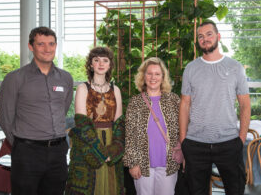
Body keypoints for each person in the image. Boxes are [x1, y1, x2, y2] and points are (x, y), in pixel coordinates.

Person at [0, 26, 73, 195]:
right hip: (27, 153)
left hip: (58, 151)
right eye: (41, 44)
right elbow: (6, 118)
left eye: (51, 44)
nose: (47, 49)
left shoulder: (65, 78)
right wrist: (21, 144)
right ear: (31, 47)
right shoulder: (15, 78)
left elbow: (63, 108)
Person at [179, 21, 251, 195]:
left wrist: (241, 138)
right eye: (200, 36)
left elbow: (245, 104)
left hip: (229, 143)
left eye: (209, 34)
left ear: (218, 36)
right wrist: (183, 141)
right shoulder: (190, 68)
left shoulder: (235, 67)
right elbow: (184, 105)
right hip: (196, 145)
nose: (205, 39)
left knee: (235, 190)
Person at [65, 47, 125, 195]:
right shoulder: (82, 88)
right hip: (88, 143)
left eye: (105, 60)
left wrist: (114, 149)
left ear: (110, 65)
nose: (101, 63)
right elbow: (82, 124)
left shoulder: (115, 90)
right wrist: (100, 152)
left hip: (110, 141)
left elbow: (118, 124)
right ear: (91, 64)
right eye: (96, 60)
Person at [124, 57, 180, 195]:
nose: (153, 77)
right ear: (143, 76)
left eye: (157, 74)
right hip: (142, 166)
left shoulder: (174, 100)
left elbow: (184, 128)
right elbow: (130, 135)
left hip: (169, 164)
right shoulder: (135, 102)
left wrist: (180, 148)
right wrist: (132, 163)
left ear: (163, 77)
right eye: (149, 73)